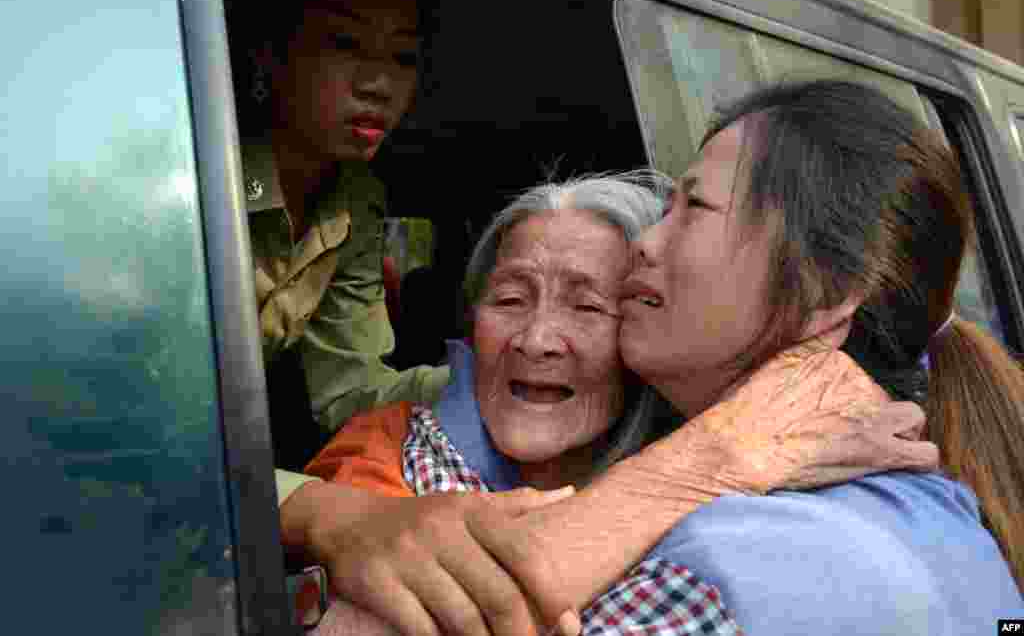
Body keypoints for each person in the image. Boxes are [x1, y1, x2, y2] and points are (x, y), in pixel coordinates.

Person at [298, 171, 940, 635]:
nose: (538, 339)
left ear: (646, 339)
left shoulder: (758, 490)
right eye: (510, 299)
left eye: (587, 306)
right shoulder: (383, 458)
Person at [613, 79, 1024, 632]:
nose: (645, 241)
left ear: (826, 294)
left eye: (695, 207)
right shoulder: (954, 522)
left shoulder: (722, 571)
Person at [222, 0, 450, 477]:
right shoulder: (203, 175)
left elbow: (347, 390)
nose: (378, 84)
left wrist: (486, 377)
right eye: (345, 43)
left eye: (403, 56)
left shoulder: (356, 197)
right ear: (271, 55)